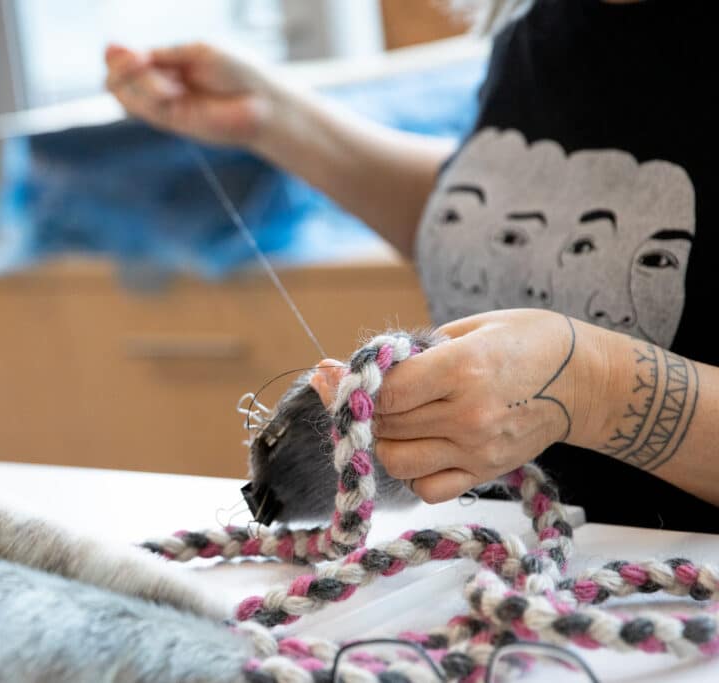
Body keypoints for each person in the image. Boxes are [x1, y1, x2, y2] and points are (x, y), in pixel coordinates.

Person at [104, 0, 719, 533]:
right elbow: (525, 221)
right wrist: (269, 117)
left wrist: (592, 388)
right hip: (520, 567)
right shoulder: (537, 27)